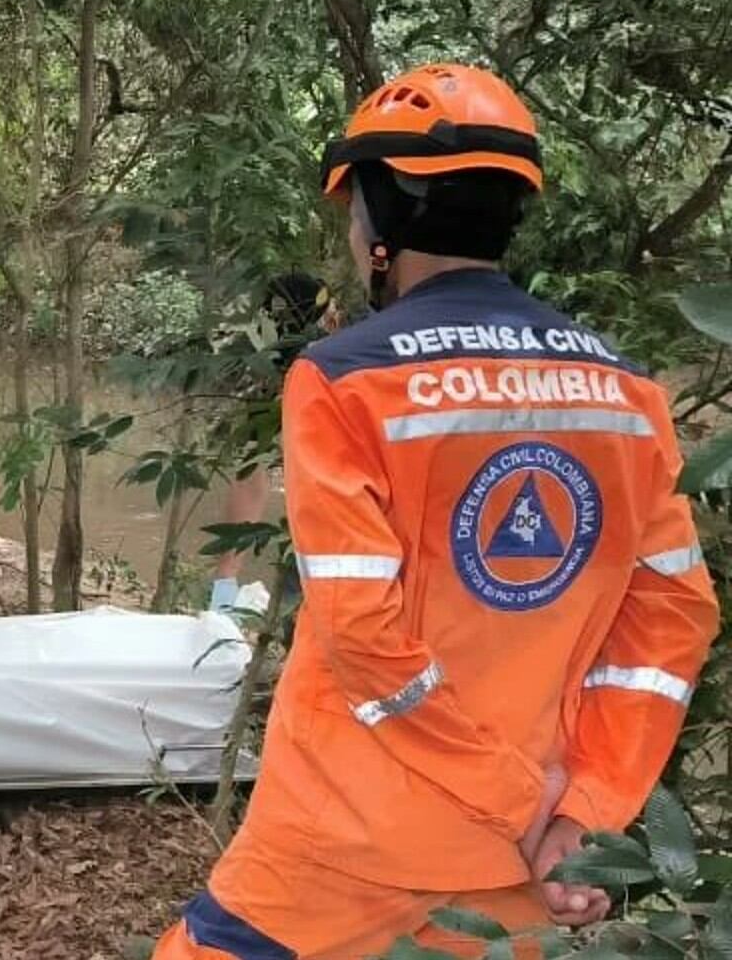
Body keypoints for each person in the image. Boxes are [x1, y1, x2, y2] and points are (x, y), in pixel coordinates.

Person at [153, 63, 718, 958]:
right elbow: (671, 623)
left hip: (345, 838)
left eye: (352, 211)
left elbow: (364, 638)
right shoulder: (626, 392)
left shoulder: (345, 380)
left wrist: (524, 804)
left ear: (385, 216)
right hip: (523, 862)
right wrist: (584, 810)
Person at [209, 272, 337, 610]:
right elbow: (252, 479)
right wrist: (225, 579)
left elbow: (251, 480)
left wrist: (225, 576)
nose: (334, 319)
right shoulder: (307, 374)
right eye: (328, 312)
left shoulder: (282, 378)